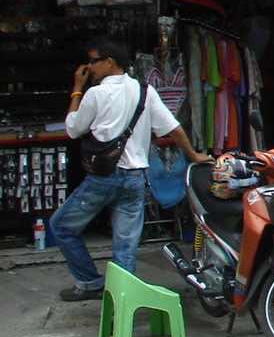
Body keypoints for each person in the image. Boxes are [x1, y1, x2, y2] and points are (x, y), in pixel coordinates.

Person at [53, 36, 210, 300]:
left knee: (61, 226)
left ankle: (89, 282)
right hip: (135, 178)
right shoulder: (144, 91)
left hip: (103, 178)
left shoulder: (95, 93)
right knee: (125, 246)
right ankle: (120, 300)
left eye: (93, 61)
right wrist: (193, 154)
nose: (88, 67)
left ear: (109, 62)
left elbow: (73, 129)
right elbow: (172, 127)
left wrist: (77, 88)